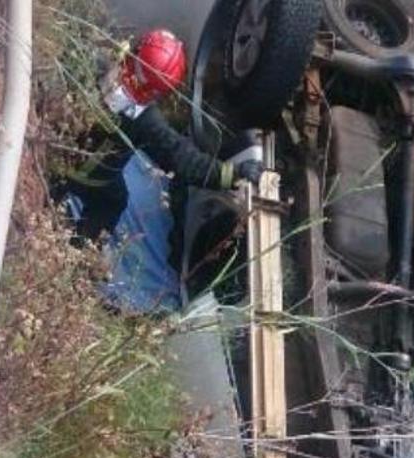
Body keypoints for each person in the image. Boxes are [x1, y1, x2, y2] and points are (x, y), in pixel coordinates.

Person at [61, 29, 263, 313]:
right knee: (112, 201)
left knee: (73, 185)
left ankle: (59, 207)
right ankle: (79, 249)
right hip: (92, 177)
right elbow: (183, 159)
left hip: (58, 152)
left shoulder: (97, 67)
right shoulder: (144, 120)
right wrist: (232, 173)